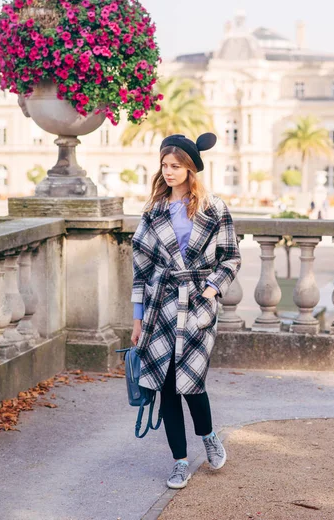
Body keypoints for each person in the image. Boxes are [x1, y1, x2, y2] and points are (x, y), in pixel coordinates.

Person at [130, 132, 241, 490]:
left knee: (191, 381)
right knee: (166, 387)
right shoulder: (153, 211)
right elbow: (141, 268)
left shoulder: (215, 208)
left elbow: (231, 257)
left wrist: (210, 290)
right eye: (164, 165)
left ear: (191, 169)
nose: (168, 172)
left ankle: (208, 436)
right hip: (160, 305)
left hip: (197, 303)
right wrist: (137, 318)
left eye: (175, 166)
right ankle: (179, 461)